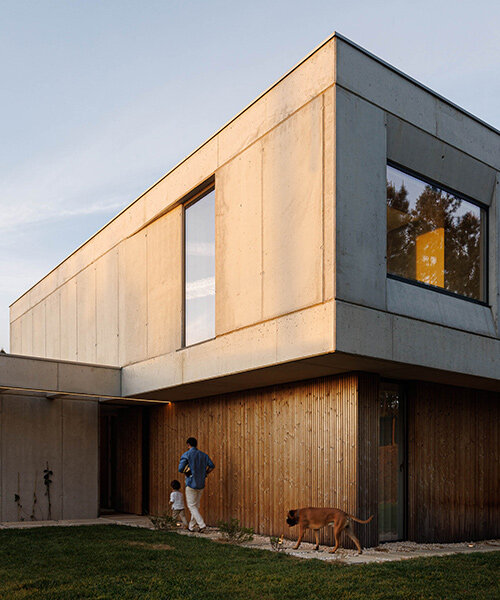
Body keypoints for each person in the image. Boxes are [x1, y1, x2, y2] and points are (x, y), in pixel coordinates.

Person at [178, 437, 215, 533]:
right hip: (201, 483)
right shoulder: (203, 455)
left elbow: (180, 469)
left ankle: (202, 525)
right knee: (196, 505)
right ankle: (191, 526)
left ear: (188, 445)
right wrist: (205, 473)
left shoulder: (186, 454)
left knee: (191, 506)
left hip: (191, 482)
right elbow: (212, 466)